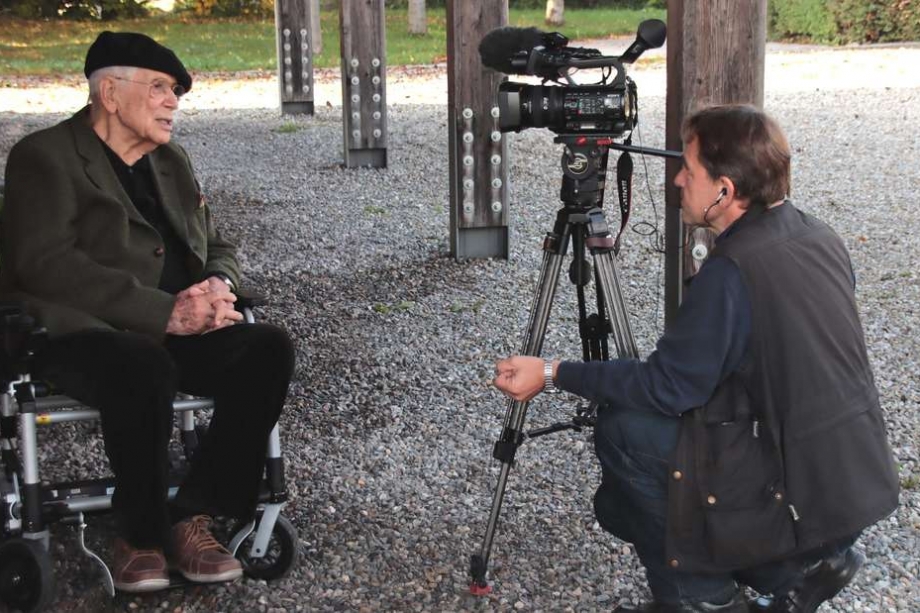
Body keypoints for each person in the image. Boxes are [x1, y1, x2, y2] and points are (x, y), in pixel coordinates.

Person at [493, 105, 898, 613]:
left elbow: (667, 388)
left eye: (688, 169)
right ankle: (792, 569)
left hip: (796, 500)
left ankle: (706, 599)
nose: (678, 180)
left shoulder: (733, 272)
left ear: (724, 191)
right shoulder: (816, 235)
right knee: (620, 503)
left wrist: (553, 372)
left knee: (625, 432)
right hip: (849, 490)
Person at [0, 32, 295, 593]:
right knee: (142, 365)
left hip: (176, 325)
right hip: (83, 332)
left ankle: (193, 514)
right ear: (110, 94)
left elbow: (216, 243)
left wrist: (218, 283)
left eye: (176, 91)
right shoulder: (44, 157)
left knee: (266, 349)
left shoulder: (170, 160)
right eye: (159, 87)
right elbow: (45, 264)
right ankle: (140, 536)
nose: (172, 102)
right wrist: (163, 312)